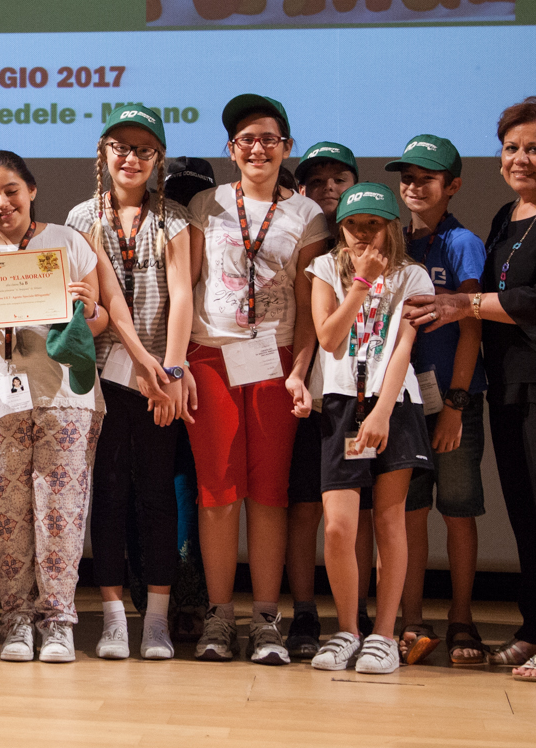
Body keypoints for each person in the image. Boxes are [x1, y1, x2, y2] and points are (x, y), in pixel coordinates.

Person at [408, 98, 536, 682]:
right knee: (528, 515)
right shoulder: (509, 215)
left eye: (535, 149)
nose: (520, 158)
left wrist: (464, 303)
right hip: (514, 386)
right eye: (511, 147)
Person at [184, 95, 329, 664]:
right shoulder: (207, 203)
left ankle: (266, 618)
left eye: (269, 139)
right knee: (218, 492)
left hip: (276, 359)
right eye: (246, 139)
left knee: (269, 492)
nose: (257, 148)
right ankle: (220, 616)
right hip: (210, 357)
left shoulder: (308, 215)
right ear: (231, 149)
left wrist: (300, 371)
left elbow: (309, 305)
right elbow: (186, 286)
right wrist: (177, 362)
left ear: (286, 147)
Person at [0, 151, 107, 663]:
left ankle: (59, 622)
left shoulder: (67, 241)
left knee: (60, 512)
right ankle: (17, 621)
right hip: (2, 397)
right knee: (8, 515)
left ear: (32, 191)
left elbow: (99, 320)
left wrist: (86, 307)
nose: (2, 203)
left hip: (65, 396)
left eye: (11, 191)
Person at [65, 104, 195, 661]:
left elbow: (182, 294)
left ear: (158, 158)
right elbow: (105, 301)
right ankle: (114, 618)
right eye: (121, 147)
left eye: (144, 150)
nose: (131, 159)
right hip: (103, 376)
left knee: (157, 495)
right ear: (104, 153)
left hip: (161, 377)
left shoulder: (174, 218)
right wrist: (144, 364)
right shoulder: (81, 218)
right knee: (110, 493)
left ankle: (157, 620)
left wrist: (172, 369)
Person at [305, 184, 434, 674]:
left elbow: (404, 347)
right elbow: (328, 336)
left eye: (373, 224)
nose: (362, 233)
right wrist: (360, 282)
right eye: (353, 224)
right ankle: (347, 630)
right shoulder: (326, 269)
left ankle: (383, 635)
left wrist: (381, 411)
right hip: (341, 403)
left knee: (388, 521)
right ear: (340, 227)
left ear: (391, 227)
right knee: (339, 526)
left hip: (393, 404)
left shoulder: (413, 275)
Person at [387, 135, 488, 667]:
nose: (414, 186)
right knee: (410, 511)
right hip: (405, 401)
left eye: (427, 178)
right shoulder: (394, 242)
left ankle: (461, 617)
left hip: (452, 399)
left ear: (452, 186)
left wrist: (455, 404)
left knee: (458, 510)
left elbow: (472, 323)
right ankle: (412, 619)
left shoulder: (462, 242)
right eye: (407, 177)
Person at [280, 139, 358, 659]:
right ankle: (305, 610)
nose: (328, 188)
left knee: (359, 512)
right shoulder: (297, 237)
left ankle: (358, 613)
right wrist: (299, 374)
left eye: (339, 179)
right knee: (305, 504)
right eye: (316, 180)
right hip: (307, 389)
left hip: (360, 397)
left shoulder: (380, 243)